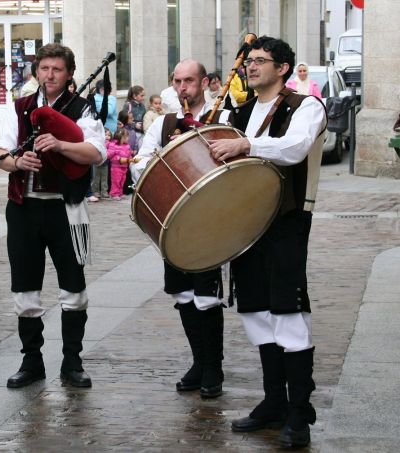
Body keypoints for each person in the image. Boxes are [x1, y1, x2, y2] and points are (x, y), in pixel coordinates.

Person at [207, 36, 326, 449]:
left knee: (288, 314)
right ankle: (274, 401)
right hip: (246, 225)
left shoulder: (304, 106)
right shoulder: (238, 111)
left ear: (283, 68)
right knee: (256, 312)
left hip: (286, 222)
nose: (251, 66)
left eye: (260, 61)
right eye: (248, 61)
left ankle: (300, 413)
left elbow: (294, 149)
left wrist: (246, 144)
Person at [0, 43, 106, 389]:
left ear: (69, 73)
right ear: (36, 72)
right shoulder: (20, 108)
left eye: (57, 69)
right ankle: (32, 361)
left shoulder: (82, 109)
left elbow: (96, 152)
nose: (50, 75)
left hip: (65, 208)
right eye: (44, 69)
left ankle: (72, 362)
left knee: (74, 289)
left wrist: (60, 145)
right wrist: (16, 162)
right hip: (24, 207)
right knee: (24, 290)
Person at [132, 59, 231, 399]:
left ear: (205, 82)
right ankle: (199, 362)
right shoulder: (163, 124)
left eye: (189, 80)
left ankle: (213, 366)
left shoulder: (224, 118)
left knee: (206, 295)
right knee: (183, 294)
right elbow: (139, 164)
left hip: (212, 222)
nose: (183, 87)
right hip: (175, 222)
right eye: (177, 81)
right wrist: (159, 161)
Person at [107, 128, 132, 200]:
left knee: (122, 180)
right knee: (116, 180)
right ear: (121, 137)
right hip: (116, 167)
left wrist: (131, 159)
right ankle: (114, 193)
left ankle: (120, 193)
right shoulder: (113, 145)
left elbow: (128, 154)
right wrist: (118, 158)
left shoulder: (127, 146)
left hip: (124, 167)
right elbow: (109, 155)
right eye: (127, 137)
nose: (128, 138)